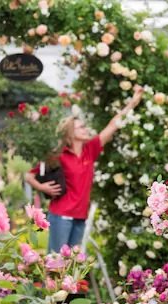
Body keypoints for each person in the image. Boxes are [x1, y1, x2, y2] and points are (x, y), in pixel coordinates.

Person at [25, 88, 143, 253]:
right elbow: (29, 176)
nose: (85, 129)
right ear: (70, 134)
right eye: (81, 127)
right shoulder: (59, 155)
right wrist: (42, 187)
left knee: (72, 264)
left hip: (81, 216)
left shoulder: (90, 150)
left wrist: (131, 103)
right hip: (61, 215)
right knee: (56, 261)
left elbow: (112, 126)